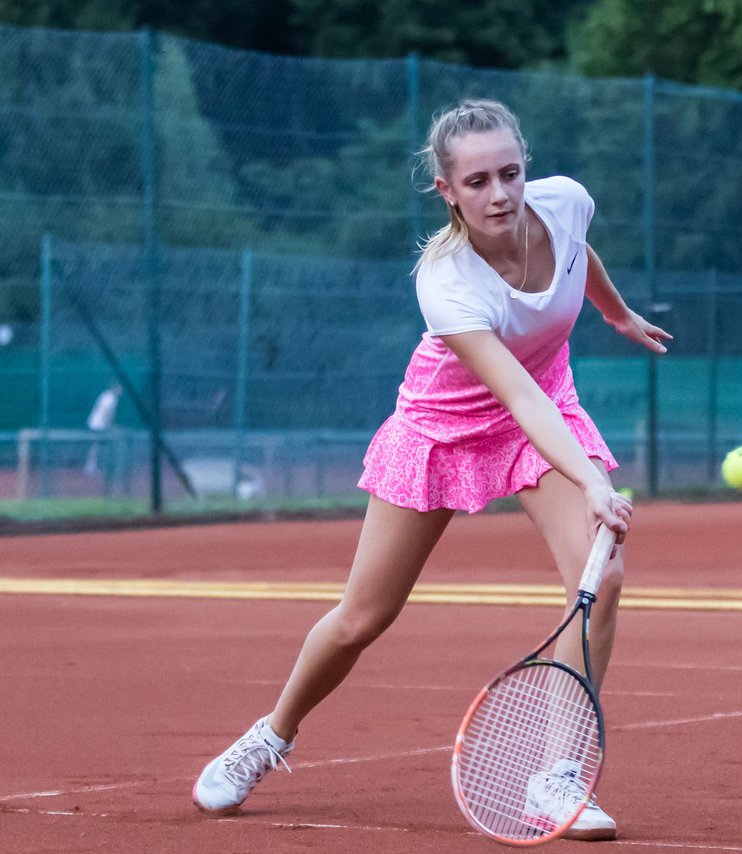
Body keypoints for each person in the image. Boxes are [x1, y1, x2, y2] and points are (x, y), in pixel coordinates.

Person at [192, 99, 672, 841]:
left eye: (510, 173)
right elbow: (509, 391)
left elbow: (579, 253)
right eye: (477, 182)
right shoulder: (446, 281)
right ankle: (272, 734)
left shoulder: (566, 202)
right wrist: (594, 481)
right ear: (446, 190)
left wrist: (615, 312)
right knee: (362, 618)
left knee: (601, 576)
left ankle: (556, 776)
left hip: (544, 408)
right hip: (444, 428)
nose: (501, 195)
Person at [83, 382, 121, 475]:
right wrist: (110, 427)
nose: (121, 391)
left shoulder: (106, 395)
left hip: (97, 424)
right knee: (95, 444)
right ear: (115, 388)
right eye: (119, 388)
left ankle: (93, 465)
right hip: (98, 425)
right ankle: (91, 466)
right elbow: (107, 414)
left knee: (96, 445)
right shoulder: (111, 398)